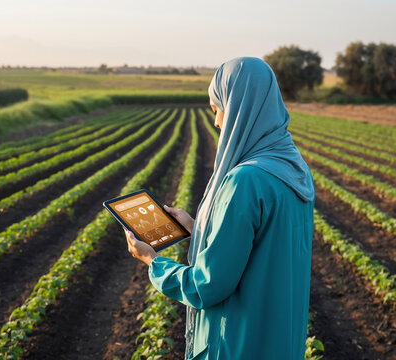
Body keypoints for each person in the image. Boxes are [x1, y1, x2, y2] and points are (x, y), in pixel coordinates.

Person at [124, 56, 315, 359]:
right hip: (280, 340)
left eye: (217, 108)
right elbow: (263, 249)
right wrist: (196, 227)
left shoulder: (246, 180)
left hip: (240, 343)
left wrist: (153, 262)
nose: (215, 121)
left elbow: (207, 286)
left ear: (241, 106)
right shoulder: (293, 169)